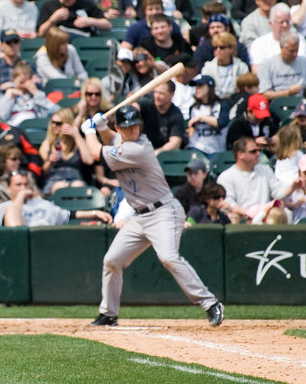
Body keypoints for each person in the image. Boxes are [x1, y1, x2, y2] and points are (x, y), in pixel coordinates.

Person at [81, 105, 224, 326]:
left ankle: (210, 303)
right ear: (119, 128)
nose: (133, 131)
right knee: (112, 260)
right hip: (140, 216)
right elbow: (111, 139)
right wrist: (101, 127)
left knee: (168, 257)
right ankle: (109, 314)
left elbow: (94, 153)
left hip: (164, 212)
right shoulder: (122, 141)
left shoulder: (140, 147)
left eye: (136, 125)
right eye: (127, 127)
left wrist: (89, 131)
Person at [0, 170, 111, 226]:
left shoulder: (42, 203)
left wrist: (95, 213)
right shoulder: (4, 207)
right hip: (21, 245)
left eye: (26, 184)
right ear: (9, 188)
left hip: (46, 240)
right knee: (11, 210)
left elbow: (69, 214)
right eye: (18, 185)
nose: (23, 188)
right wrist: (20, 196)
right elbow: (11, 227)